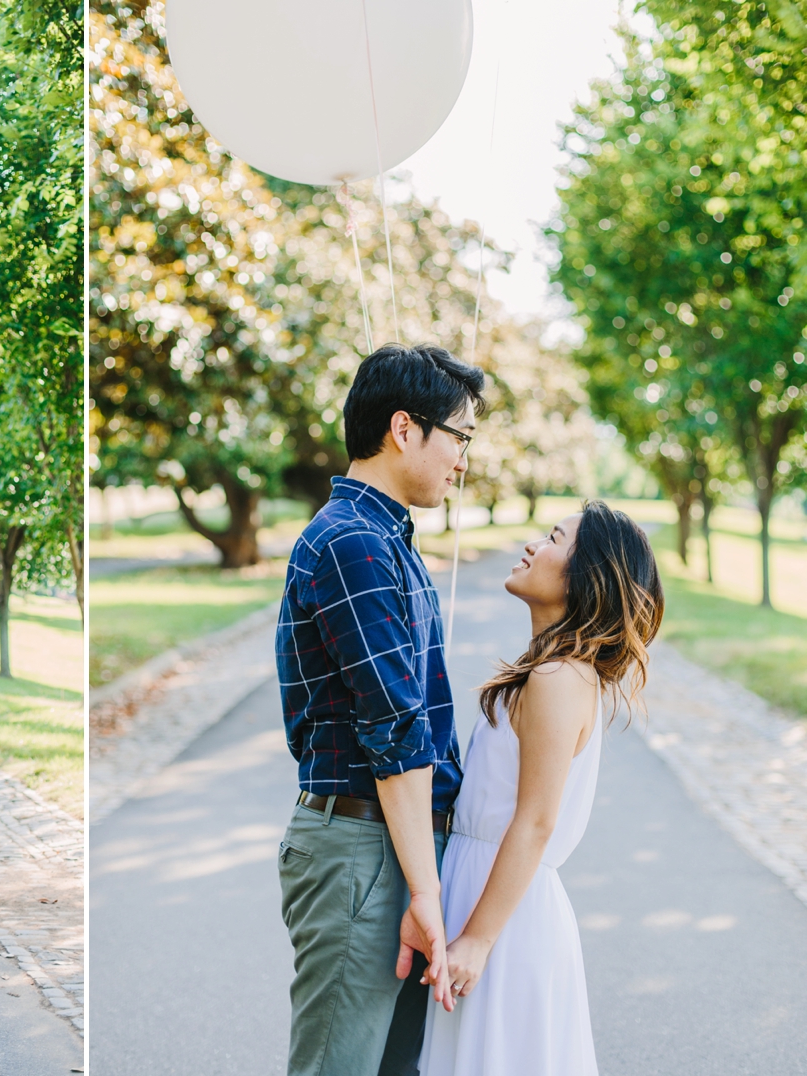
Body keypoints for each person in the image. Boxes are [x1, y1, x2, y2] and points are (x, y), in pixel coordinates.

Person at [276, 343, 484, 1076]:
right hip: (361, 847)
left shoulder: (386, 541)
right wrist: (424, 890)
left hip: (391, 845)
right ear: (405, 428)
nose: (464, 457)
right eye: (460, 435)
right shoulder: (354, 544)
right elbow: (396, 731)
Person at [419, 503, 664, 1075]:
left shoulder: (558, 677)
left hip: (504, 913)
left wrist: (478, 939)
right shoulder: (549, 668)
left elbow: (535, 821)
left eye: (553, 538)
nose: (532, 545)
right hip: (481, 886)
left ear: (586, 578)